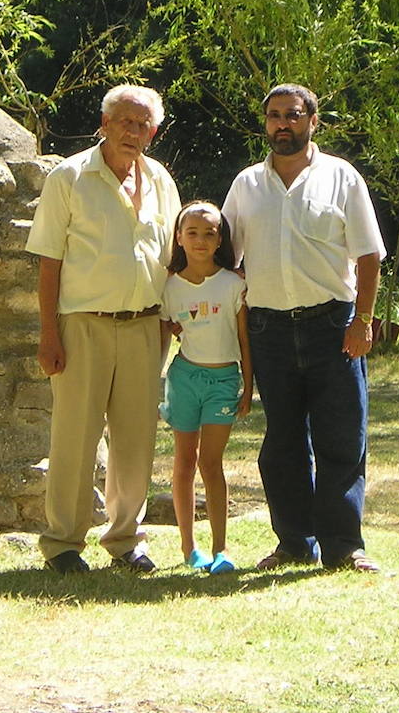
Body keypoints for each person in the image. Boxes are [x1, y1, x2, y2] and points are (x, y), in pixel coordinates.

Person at [222, 83, 386, 573]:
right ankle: (294, 542)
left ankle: (343, 546)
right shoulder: (247, 185)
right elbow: (226, 256)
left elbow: (369, 254)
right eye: (274, 116)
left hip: (332, 327)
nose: (282, 125)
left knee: (341, 438)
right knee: (283, 445)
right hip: (268, 331)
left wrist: (363, 321)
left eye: (292, 116)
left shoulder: (342, 178)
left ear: (313, 121)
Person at [26, 85, 181, 574]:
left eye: (143, 125)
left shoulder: (160, 181)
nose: (133, 133)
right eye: (125, 122)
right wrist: (49, 335)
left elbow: (172, 257)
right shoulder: (69, 177)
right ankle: (63, 543)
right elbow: (48, 261)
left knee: (135, 440)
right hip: (82, 326)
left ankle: (125, 540)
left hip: (144, 326)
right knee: (75, 436)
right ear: (105, 124)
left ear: (152, 133)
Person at [158, 201, 253, 574]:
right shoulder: (168, 287)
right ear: (179, 238)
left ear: (220, 240)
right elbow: (166, 325)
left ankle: (221, 550)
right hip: (184, 379)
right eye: (192, 232)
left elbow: (245, 340)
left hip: (223, 381)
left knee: (210, 463)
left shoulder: (234, 284)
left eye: (209, 233)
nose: (200, 240)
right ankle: (189, 548)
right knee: (183, 462)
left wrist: (247, 385)